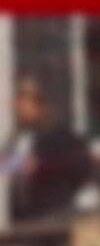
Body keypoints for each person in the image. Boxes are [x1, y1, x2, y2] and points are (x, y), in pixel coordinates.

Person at [3, 74, 91, 224]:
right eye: (18, 104)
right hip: (22, 212)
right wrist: (16, 164)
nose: (20, 109)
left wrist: (39, 165)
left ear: (38, 104)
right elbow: (6, 165)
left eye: (25, 103)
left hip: (51, 208)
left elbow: (77, 162)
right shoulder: (16, 136)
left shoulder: (55, 133)